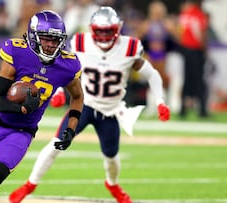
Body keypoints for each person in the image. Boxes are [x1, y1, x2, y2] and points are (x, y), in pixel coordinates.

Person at [9, 6, 170, 203]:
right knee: (56, 145)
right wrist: (60, 91)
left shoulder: (130, 48)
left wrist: (161, 101)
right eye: (99, 31)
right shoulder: (79, 42)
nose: (103, 36)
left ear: (118, 28)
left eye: (108, 31)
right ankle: (29, 185)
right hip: (83, 106)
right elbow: (61, 69)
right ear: (91, 29)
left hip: (110, 112)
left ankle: (112, 184)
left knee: (111, 156)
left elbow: (152, 74)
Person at [0, 10, 84, 203]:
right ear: (33, 36)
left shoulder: (68, 65)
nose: (51, 44)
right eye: (46, 38)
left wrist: (71, 129)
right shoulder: (17, 52)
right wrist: (22, 108)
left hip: (23, 131)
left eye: (55, 39)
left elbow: (77, 96)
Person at [176, 0, 209, 118]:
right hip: (196, 50)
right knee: (199, 80)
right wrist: (205, 51)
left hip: (186, 50)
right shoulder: (199, 15)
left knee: (187, 80)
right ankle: (203, 110)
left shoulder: (184, 15)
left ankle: (182, 109)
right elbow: (201, 35)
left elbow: (179, 33)